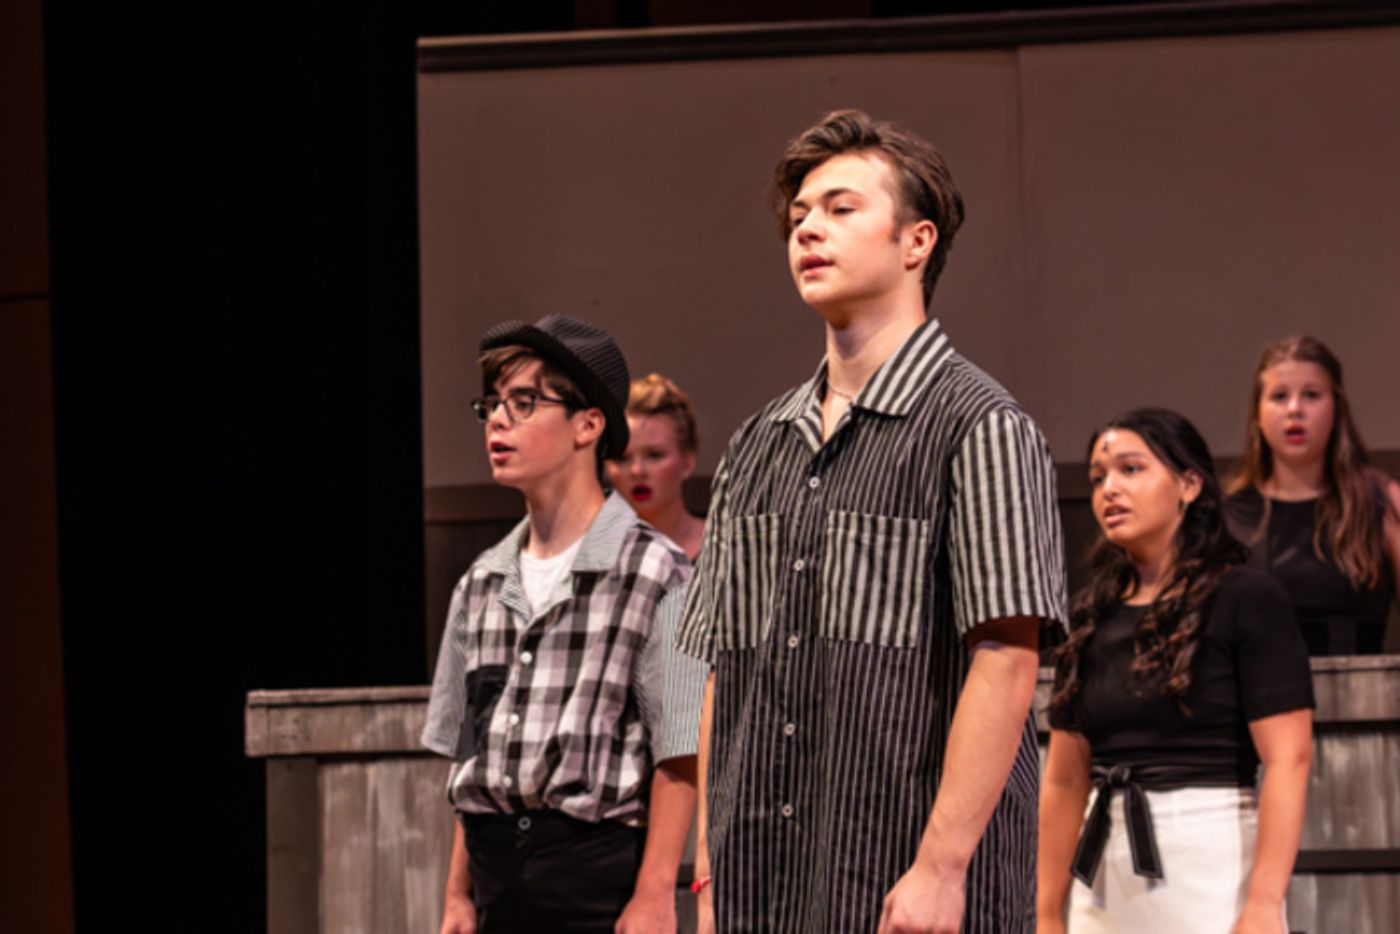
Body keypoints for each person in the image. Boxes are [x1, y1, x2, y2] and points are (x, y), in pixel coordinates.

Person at [676, 109, 1068, 933]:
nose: (809, 229)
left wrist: (940, 866)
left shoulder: (978, 426)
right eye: (799, 217)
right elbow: (724, 672)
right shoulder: (757, 444)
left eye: (841, 208)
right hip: (762, 888)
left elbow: (1005, 660)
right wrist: (709, 875)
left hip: (901, 886)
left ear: (915, 242)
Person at [421, 314, 707, 934]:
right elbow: (472, 752)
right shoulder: (481, 583)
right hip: (498, 881)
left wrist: (657, 893)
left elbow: (679, 750)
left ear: (588, 424)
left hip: (594, 884)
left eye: (524, 403)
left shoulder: (652, 571)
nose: (498, 420)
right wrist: (457, 897)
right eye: (492, 405)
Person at [1038, 408, 1314, 933]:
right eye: (1098, 477)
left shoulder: (1246, 598)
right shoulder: (1090, 615)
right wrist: (1047, 912)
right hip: (1103, 862)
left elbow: (1289, 758)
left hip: (1209, 856)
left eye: (1131, 469)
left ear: (1189, 484)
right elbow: (1065, 780)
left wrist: (1263, 902)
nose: (1109, 489)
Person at [1226, 335, 1400, 655]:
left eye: (1311, 395)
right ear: (1257, 414)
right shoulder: (1229, 516)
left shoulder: (1381, 501)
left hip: (1365, 699)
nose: (1295, 410)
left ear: (1336, 406)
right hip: (1260, 701)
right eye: (1279, 396)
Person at [607, 373, 706, 561]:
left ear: (688, 461)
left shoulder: (729, 548)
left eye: (654, 455)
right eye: (622, 459)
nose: (637, 471)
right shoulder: (591, 554)